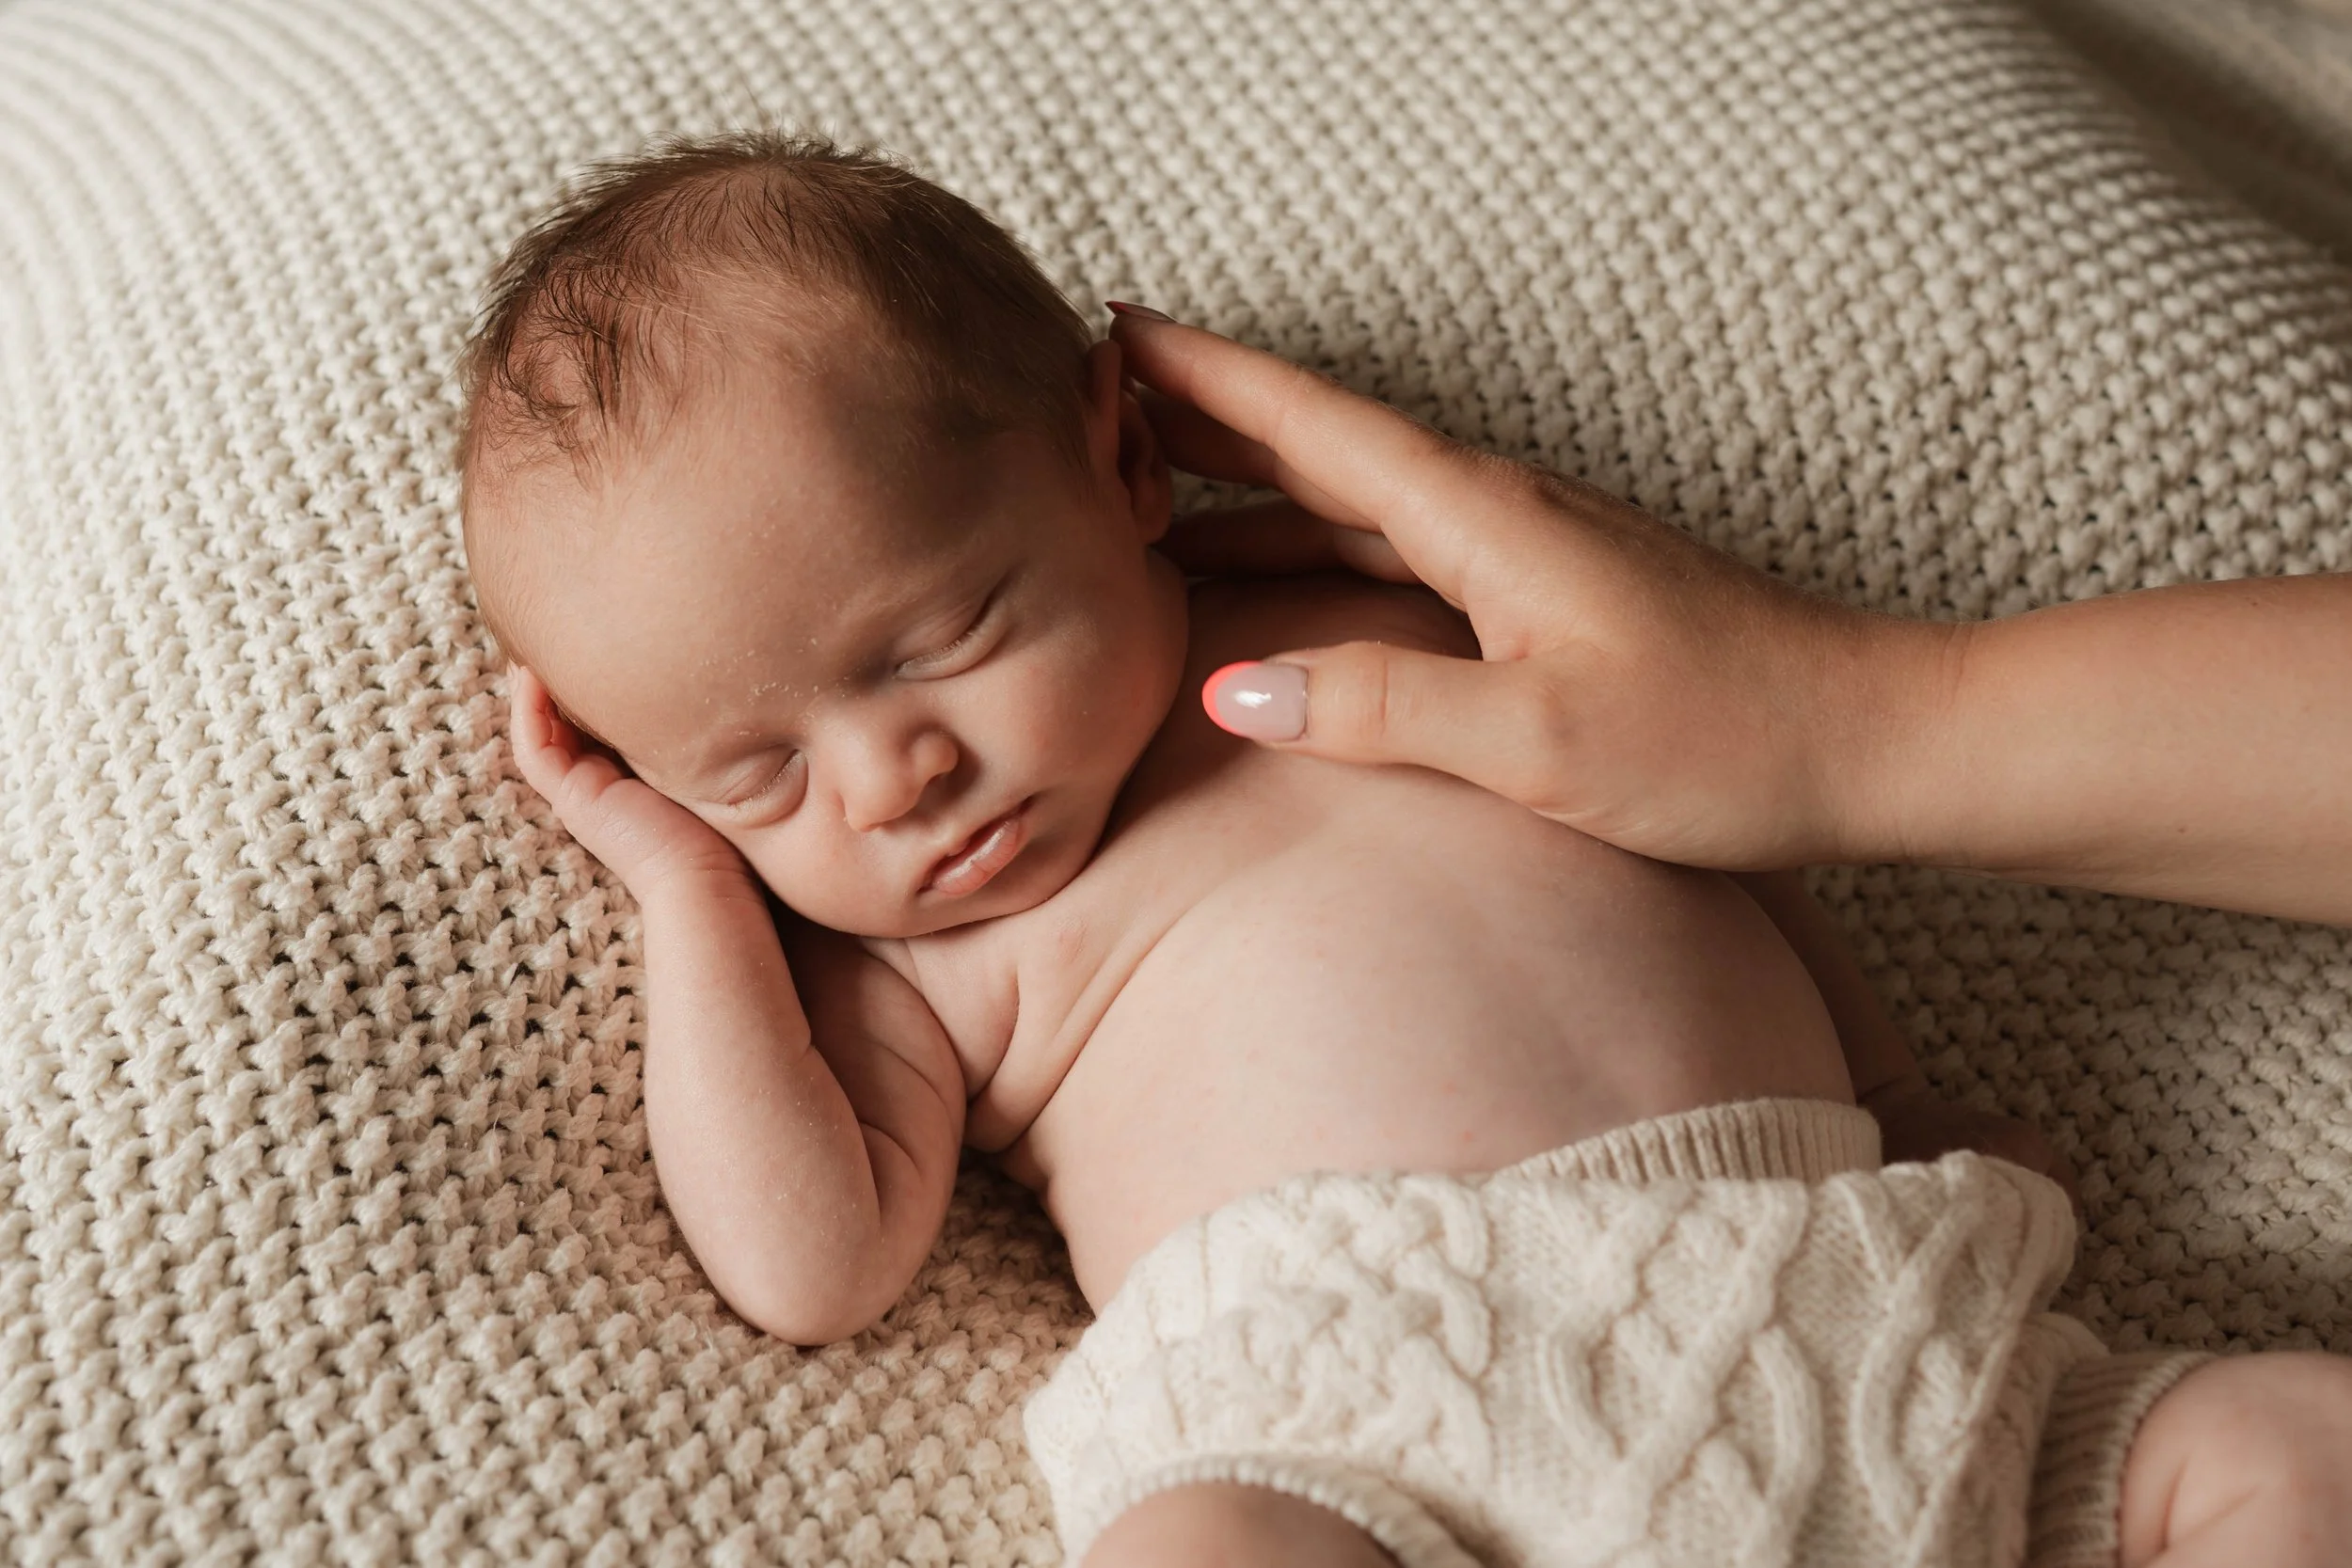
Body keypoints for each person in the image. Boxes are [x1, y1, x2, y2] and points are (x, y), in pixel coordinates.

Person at [462, 132, 2352, 1568]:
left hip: (1879, 1347)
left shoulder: (1415, 641)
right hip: (1385, 1447)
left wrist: (1901, 1092)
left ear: (1123, 464)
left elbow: (1714, 851)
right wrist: (686, 884)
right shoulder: (919, 949)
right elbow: (813, 1256)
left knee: (2287, 1445)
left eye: (935, 639)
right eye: (758, 769)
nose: (895, 780)